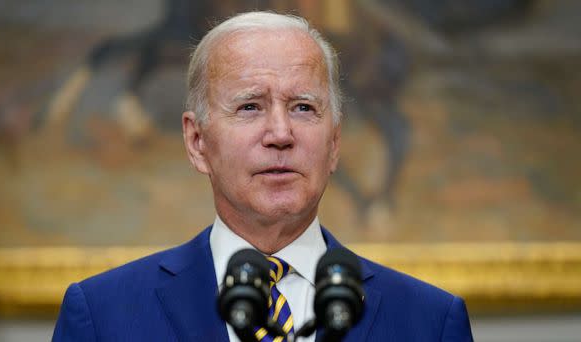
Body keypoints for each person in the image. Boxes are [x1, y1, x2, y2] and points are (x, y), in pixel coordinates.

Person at [53, 11, 473, 341]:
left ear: (335, 144)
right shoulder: (103, 316)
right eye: (250, 107)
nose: (280, 134)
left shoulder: (430, 322)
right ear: (197, 141)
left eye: (303, 108)